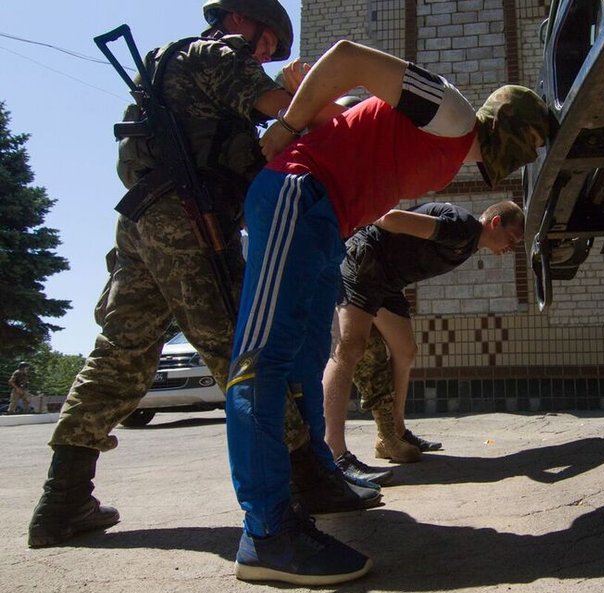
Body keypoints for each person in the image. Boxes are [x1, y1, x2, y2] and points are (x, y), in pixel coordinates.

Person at [26, 0, 378, 551]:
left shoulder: (166, 62)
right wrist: (304, 86)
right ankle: (308, 480)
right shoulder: (218, 53)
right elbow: (286, 111)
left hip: (144, 221)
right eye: (267, 42)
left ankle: (62, 499)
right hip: (190, 222)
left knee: (120, 352)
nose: (264, 54)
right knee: (244, 351)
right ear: (242, 19)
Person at [224, 39, 553, 585]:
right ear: (511, 125)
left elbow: (361, 131)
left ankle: (318, 480)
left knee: (303, 360)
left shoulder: (450, 156)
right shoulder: (454, 114)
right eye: (534, 139)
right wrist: (287, 124)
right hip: (298, 193)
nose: (532, 152)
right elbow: (348, 57)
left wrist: (322, 120)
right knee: (261, 362)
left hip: (329, 220)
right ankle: (266, 534)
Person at [324, 200, 524, 474]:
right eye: (512, 239)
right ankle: (333, 452)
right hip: (366, 261)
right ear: (496, 223)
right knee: (350, 348)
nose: (511, 248)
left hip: (389, 281)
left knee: (405, 350)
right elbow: (387, 217)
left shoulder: (468, 242)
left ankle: (394, 432)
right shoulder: (460, 226)